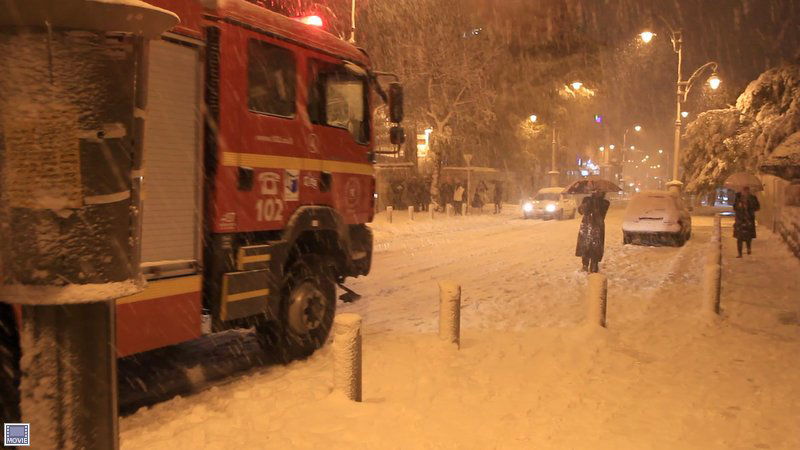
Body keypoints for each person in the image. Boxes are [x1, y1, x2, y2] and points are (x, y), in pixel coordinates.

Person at [575, 189, 610, 273]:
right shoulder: (587, 200)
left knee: (596, 247)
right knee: (585, 245)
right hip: (586, 226)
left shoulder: (604, 202)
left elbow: (601, 214)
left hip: (597, 227)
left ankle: (594, 265)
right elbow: (581, 211)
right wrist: (587, 203)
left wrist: (595, 202)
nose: (598, 192)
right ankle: (585, 265)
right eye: (596, 191)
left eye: (600, 191)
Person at [733, 186, 760, 257]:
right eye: (744, 190)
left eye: (747, 190)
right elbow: (734, 207)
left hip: (749, 219)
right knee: (739, 237)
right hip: (740, 219)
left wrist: (750, 205)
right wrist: (739, 206)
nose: (745, 191)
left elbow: (757, 207)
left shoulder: (753, 198)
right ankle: (739, 253)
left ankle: (748, 248)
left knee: (748, 236)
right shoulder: (738, 197)